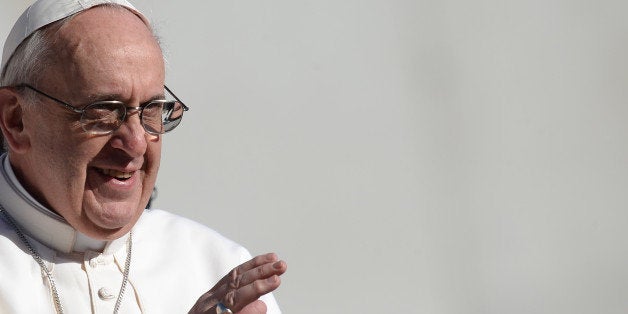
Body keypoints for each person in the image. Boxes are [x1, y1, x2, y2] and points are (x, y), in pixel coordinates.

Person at [0, 0, 287, 313]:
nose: (136, 143)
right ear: (17, 120)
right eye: (104, 111)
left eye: (152, 110)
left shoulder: (220, 267)